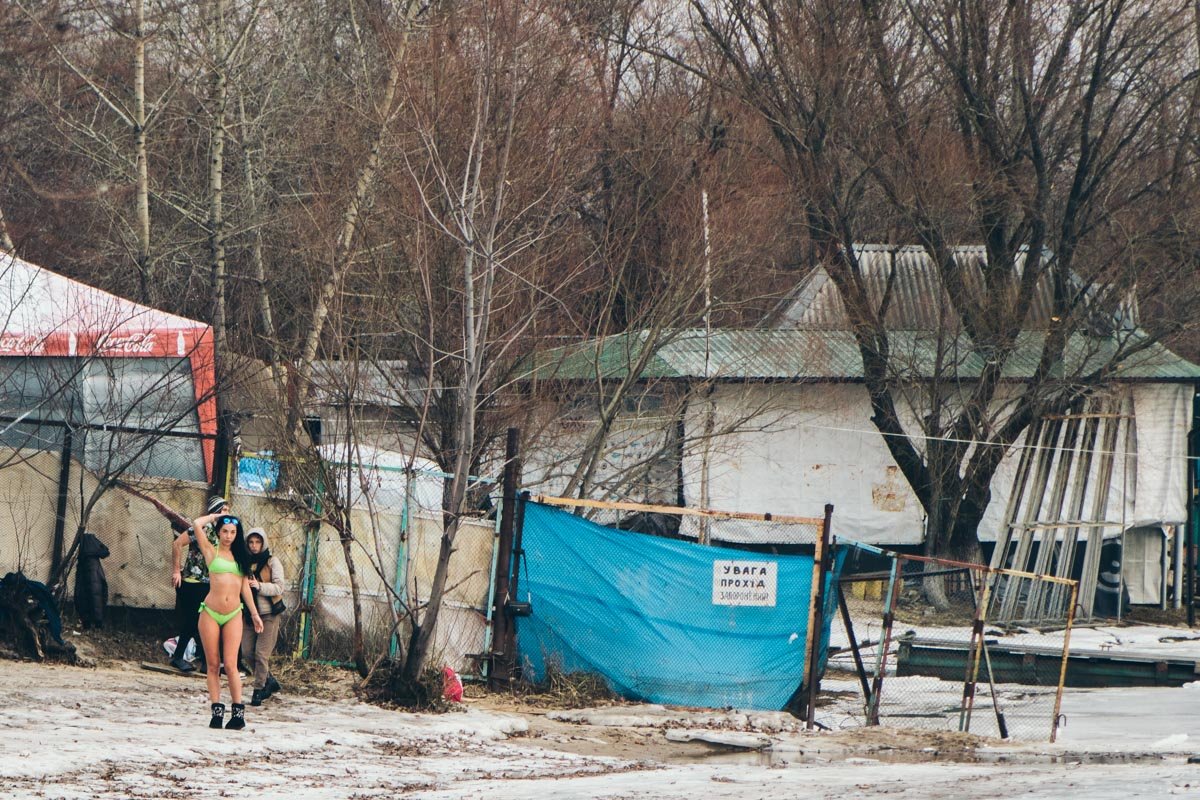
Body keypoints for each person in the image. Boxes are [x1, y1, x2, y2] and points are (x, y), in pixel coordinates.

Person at [191, 510, 263, 729]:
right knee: (213, 664)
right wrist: (214, 517)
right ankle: (216, 711)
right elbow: (196, 523)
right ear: (219, 532)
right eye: (224, 531)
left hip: (233, 614)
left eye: (232, 532)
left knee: (231, 664)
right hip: (211, 612)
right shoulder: (211, 552)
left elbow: (244, 588)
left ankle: (238, 713)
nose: (228, 536)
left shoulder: (242, 558)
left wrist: (254, 613)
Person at [169, 496, 229, 672]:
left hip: (211, 582)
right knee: (193, 620)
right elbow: (177, 544)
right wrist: (176, 570)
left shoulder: (223, 532)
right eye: (223, 510)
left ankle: (206, 662)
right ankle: (178, 656)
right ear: (216, 511)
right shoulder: (203, 528)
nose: (226, 513)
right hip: (193, 580)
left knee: (209, 621)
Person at [241, 527, 285, 706]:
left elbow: (280, 587)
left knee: (261, 654)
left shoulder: (272, 561)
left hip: (269, 614)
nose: (254, 546)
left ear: (263, 543)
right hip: (249, 614)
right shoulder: (243, 562)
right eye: (251, 542)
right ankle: (269, 680)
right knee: (246, 651)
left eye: (257, 542)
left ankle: (258, 690)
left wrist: (259, 586)